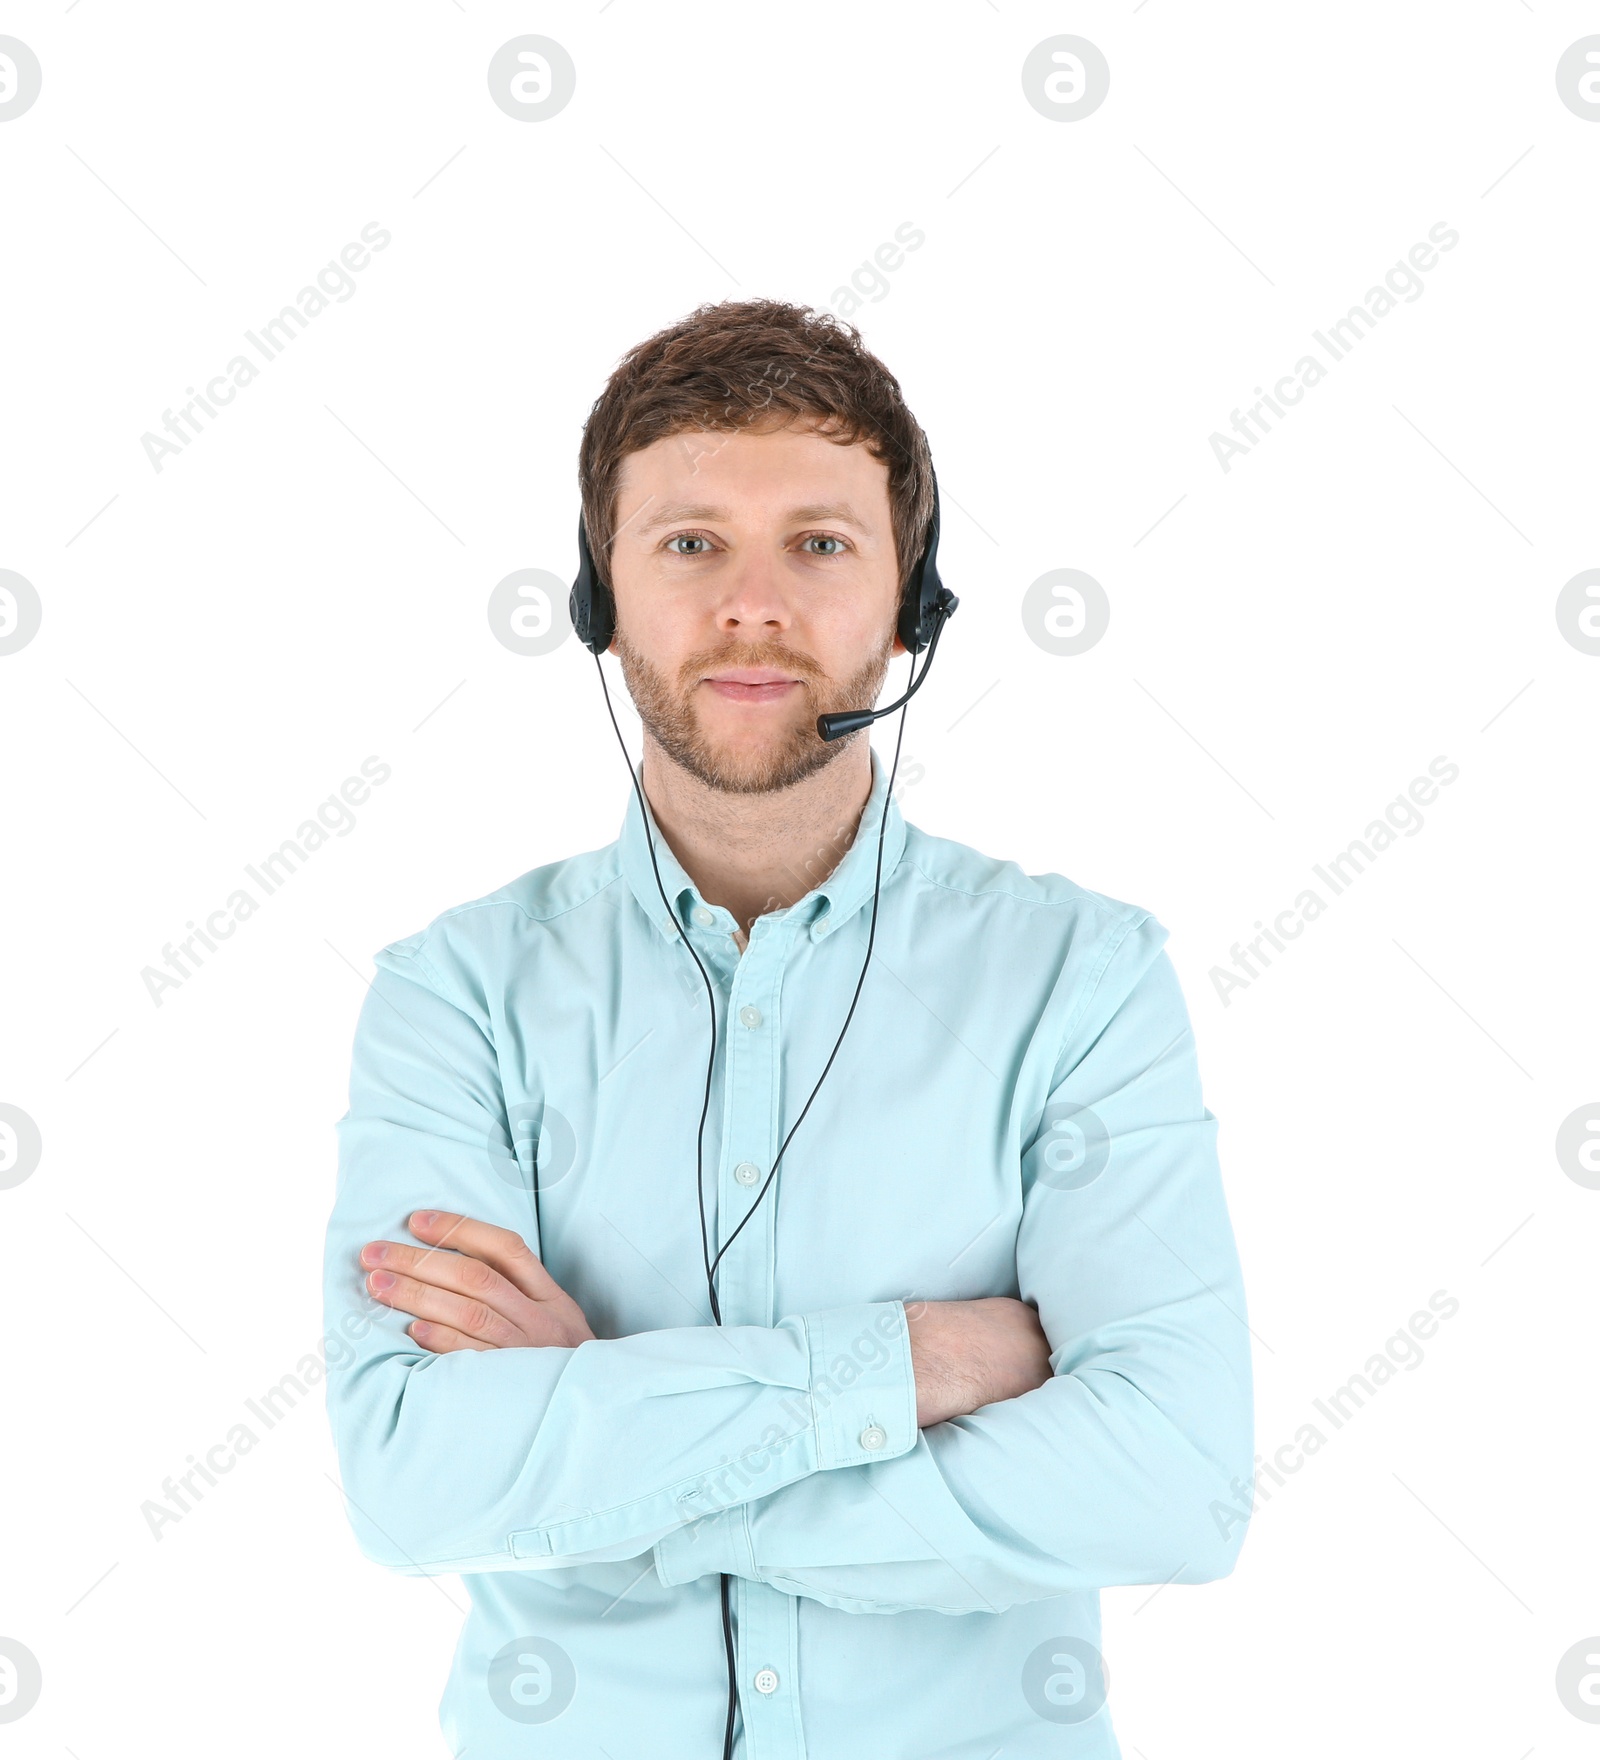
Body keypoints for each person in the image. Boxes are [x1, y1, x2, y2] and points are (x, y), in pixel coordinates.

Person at [321, 297, 1254, 1758]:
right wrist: (902, 1371)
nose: (752, 605)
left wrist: (605, 1442)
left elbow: (1173, 1482)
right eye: (691, 544)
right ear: (600, 599)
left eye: (819, 544)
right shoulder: (457, 993)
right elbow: (414, 1488)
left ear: (908, 603)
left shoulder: (1082, 978)